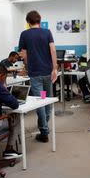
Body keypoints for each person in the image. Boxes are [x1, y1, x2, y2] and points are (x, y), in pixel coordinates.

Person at [18, 10, 58, 143]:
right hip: (47, 72)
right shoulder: (47, 32)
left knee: (40, 100)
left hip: (35, 75)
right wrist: (55, 68)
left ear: (28, 22)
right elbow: (53, 50)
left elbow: (24, 54)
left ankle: (44, 130)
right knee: (47, 99)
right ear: (39, 21)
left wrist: (27, 66)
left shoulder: (24, 34)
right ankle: (45, 124)